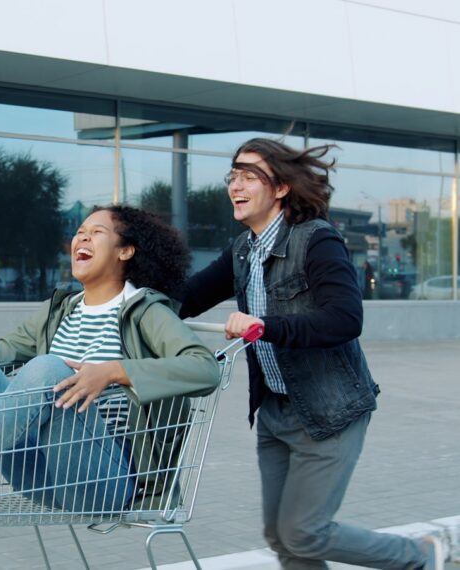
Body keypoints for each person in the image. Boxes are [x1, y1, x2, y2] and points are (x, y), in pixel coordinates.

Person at [177, 138, 443, 570]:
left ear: (281, 187)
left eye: (250, 176)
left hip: (330, 409)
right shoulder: (244, 249)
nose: (236, 185)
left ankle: (418, 556)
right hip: (275, 412)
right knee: (282, 537)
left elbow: (344, 319)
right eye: (233, 175)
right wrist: (127, 297)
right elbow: (187, 297)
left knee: (305, 531)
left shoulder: (316, 240)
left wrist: (266, 327)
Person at [0, 205, 220, 515]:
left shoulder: (145, 312)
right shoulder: (60, 311)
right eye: (79, 232)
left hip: (106, 479)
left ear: (126, 251)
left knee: (49, 368)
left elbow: (204, 367)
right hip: (42, 471)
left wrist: (115, 372)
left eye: (97, 232)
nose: (81, 237)